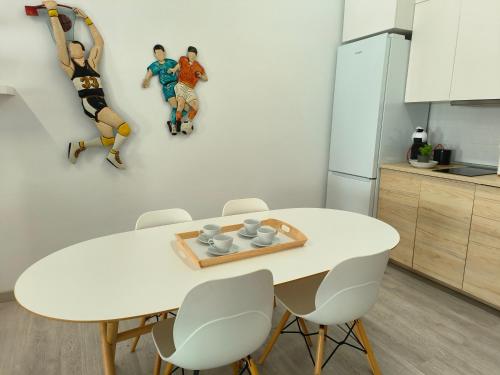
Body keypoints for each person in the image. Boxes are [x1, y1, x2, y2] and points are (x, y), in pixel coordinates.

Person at [43, 0, 131, 169]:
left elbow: (99, 43)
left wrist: (87, 19)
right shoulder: (69, 66)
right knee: (125, 129)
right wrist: (52, 12)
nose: (69, 49)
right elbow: (60, 42)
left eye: (72, 47)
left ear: (81, 49)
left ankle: (78, 146)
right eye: (68, 50)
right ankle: (113, 156)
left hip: (100, 102)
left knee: (108, 139)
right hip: (90, 102)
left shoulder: (92, 62)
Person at [142, 44, 187, 135]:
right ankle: (175, 124)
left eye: (161, 53)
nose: (159, 55)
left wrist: (175, 69)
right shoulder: (155, 65)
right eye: (157, 54)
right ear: (155, 55)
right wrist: (146, 80)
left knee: (186, 107)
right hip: (167, 88)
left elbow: (181, 65)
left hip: (177, 86)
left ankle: (174, 122)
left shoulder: (171, 62)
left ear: (164, 52)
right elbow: (148, 74)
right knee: (175, 106)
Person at [169, 46, 207, 134]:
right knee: (181, 103)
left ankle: (188, 123)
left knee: (195, 106)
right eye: (189, 53)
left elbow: (206, 78)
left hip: (190, 88)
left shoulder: (198, 66)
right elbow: (178, 66)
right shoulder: (183, 59)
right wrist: (174, 69)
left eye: (193, 54)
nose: (190, 55)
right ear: (187, 54)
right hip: (181, 85)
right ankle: (178, 123)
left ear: (196, 55)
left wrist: (201, 76)